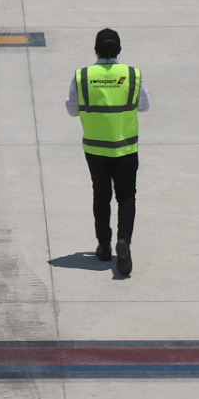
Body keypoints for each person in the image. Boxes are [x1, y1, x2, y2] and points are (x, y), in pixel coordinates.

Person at [68, 28, 148, 274]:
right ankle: (124, 241)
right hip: (125, 147)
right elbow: (145, 105)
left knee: (101, 195)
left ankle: (104, 245)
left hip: (95, 149)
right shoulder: (132, 74)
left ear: (95, 50)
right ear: (120, 51)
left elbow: (71, 109)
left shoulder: (83, 76)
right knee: (126, 196)